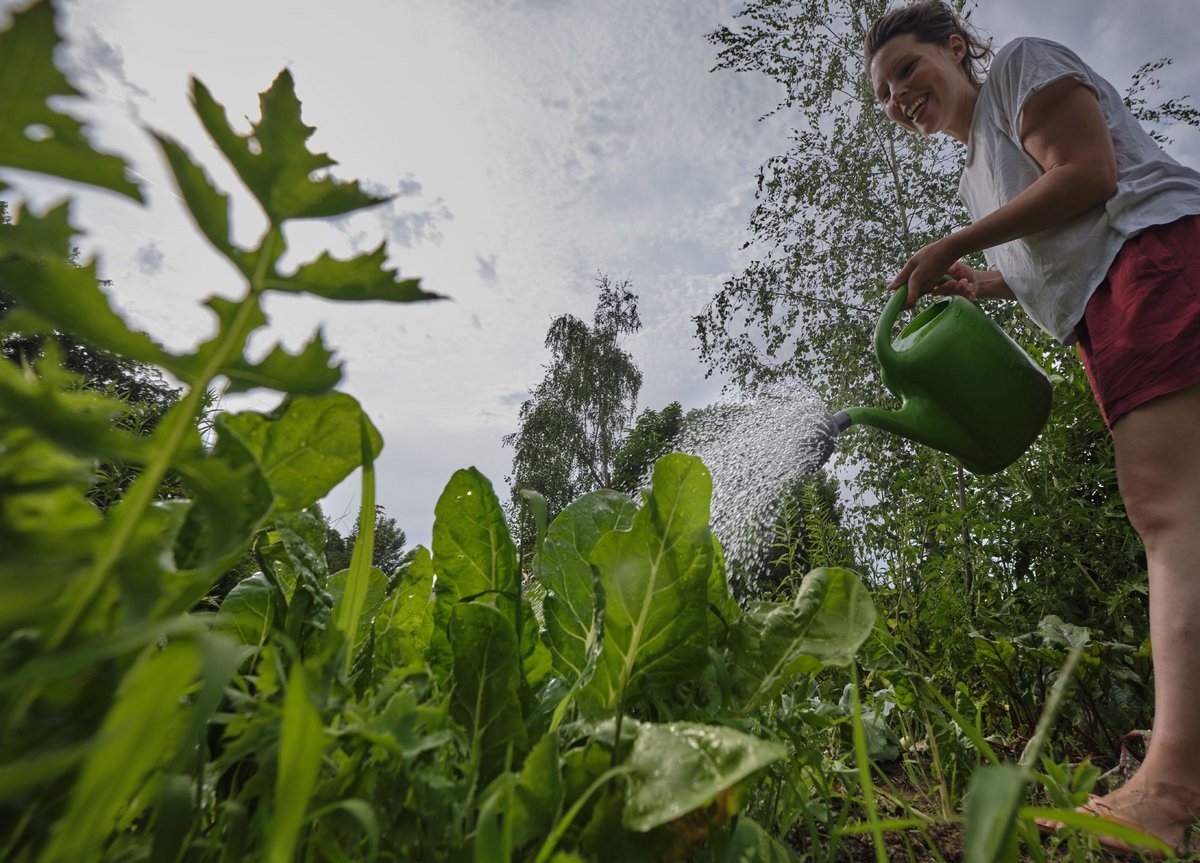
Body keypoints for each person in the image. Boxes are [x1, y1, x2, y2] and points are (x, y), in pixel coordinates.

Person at [864, 0, 1200, 854]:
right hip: (1112, 295)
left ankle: (1168, 783)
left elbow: (1088, 176)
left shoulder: (1017, 65)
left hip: (1150, 261)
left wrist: (952, 244)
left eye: (906, 71)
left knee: (1168, 511)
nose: (900, 96)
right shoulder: (976, 170)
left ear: (954, 47)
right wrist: (986, 280)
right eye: (885, 95)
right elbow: (1051, 237)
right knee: (1176, 512)